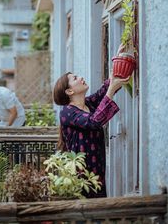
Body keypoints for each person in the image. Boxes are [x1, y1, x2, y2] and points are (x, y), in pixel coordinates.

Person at [53, 52, 130, 198]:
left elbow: (105, 89)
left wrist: (120, 57)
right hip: (82, 177)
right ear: (69, 91)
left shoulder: (88, 103)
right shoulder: (67, 112)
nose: (81, 78)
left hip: (97, 170)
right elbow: (94, 121)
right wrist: (111, 89)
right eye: (75, 78)